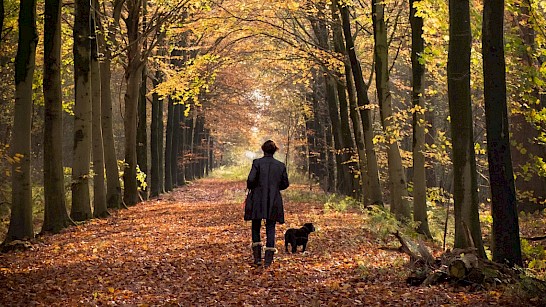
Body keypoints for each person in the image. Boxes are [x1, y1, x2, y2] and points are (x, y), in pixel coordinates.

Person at [246, 140, 289, 267]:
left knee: (255, 226)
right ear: (275, 150)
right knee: (271, 227)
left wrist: (254, 187)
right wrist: (275, 188)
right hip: (274, 199)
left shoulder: (257, 163)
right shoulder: (280, 165)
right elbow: (285, 184)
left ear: (263, 149)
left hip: (257, 198)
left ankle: (257, 259)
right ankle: (268, 261)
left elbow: (250, 180)